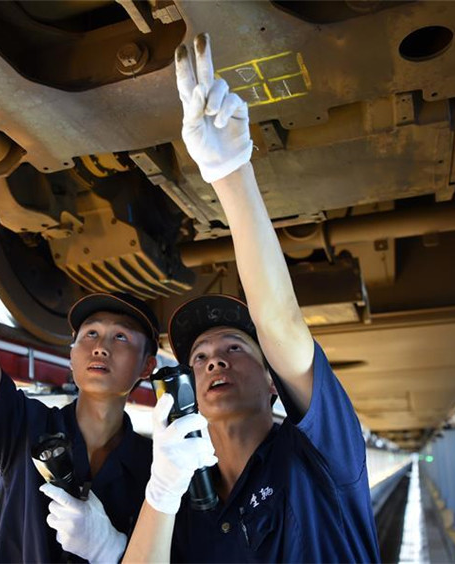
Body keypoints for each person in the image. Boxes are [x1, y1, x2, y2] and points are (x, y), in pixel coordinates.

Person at [119, 33, 380, 562]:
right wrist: (162, 492)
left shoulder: (321, 454)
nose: (213, 359)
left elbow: (280, 325)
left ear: (272, 380)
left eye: (235, 348)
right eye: (199, 358)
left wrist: (230, 173)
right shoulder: (188, 501)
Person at [0, 85, 159, 562]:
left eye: (120, 338)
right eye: (89, 335)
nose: (100, 347)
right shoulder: (23, 427)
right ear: (71, 356)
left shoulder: (161, 468)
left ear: (146, 366)